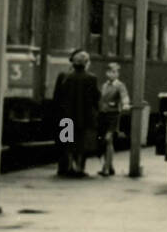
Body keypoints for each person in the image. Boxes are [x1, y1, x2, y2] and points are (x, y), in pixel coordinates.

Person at [53, 49, 100, 178]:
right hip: (84, 118)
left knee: (67, 142)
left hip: (66, 117)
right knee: (81, 144)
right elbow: (95, 98)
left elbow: (57, 98)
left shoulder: (65, 77)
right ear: (86, 63)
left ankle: (68, 167)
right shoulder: (91, 78)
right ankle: (79, 168)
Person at [97, 62, 130, 177]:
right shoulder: (104, 85)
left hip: (113, 115)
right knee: (104, 141)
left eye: (114, 72)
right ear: (106, 73)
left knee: (108, 139)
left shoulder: (120, 85)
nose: (112, 74)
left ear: (117, 73)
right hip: (103, 115)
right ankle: (109, 166)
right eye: (110, 72)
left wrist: (125, 104)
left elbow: (124, 96)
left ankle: (106, 167)